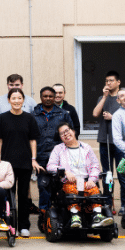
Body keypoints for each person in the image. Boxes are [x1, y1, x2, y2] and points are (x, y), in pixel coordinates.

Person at [0, 88, 42, 237]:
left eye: (19, 98)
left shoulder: (29, 118)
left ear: (23, 100)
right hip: (7, 163)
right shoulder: (2, 118)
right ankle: (10, 224)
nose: (16, 101)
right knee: (9, 195)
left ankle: (24, 226)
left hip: (25, 162)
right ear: (9, 100)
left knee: (23, 196)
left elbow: (33, 141)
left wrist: (33, 159)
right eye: (13, 98)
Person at [47, 123, 114, 229]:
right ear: (60, 137)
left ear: (73, 131)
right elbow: (50, 166)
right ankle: (75, 217)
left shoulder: (86, 147)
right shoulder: (58, 149)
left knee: (95, 191)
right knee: (72, 193)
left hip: (86, 181)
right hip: (69, 182)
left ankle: (97, 217)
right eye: (62, 133)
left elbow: (95, 166)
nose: (66, 134)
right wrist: (65, 172)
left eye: (67, 130)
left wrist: (92, 179)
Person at [32, 86, 73, 214]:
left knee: (61, 185)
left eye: (51, 96)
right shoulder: (33, 115)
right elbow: (29, 137)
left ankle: (61, 213)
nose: (48, 98)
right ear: (41, 98)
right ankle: (44, 214)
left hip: (60, 156)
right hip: (40, 156)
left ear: (54, 98)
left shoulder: (63, 114)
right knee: (43, 185)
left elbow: (71, 134)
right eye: (45, 96)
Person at [91, 71, 123, 177]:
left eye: (111, 80)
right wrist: (105, 96)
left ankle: (124, 190)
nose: (108, 83)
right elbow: (95, 114)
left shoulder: (124, 98)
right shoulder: (102, 98)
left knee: (122, 173)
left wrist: (112, 117)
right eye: (106, 81)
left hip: (120, 141)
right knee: (107, 173)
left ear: (118, 82)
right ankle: (108, 189)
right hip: (105, 140)